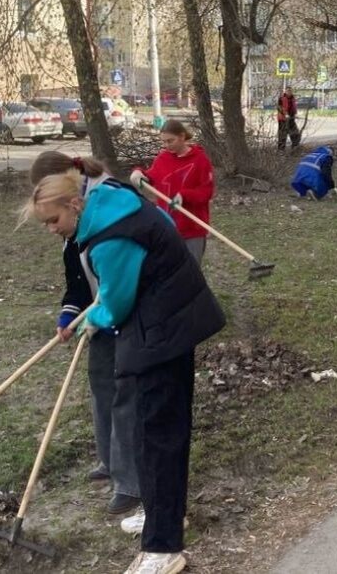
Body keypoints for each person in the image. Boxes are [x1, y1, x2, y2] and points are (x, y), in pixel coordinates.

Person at [20, 172, 226, 574]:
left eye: (53, 220)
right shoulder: (115, 198)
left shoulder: (108, 237)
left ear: (74, 205)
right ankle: (165, 512)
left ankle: (163, 548)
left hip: (162, 332)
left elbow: (115, 305)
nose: (51, 230)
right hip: (174, 318)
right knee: (162, 429)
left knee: (156, 435)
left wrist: (91, 320)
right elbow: (162, 229)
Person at [28, 152, 142, 517]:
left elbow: (122, 277)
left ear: (67, 187)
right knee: (101, 383)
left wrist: (102, 313)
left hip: (130, 311)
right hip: (101, 310)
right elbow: (77, 275)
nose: (51, 225)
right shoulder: (68, 216)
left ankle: (130, 481)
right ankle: (109, 460)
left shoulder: (109, 200)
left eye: (52, 217)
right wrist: (71, 312)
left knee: (126, 393)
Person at [129, 120, 215, 264]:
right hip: (167, 227)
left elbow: (206, 192)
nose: (167, 145)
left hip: (192, 229)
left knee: (190, 270)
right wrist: (138, 173)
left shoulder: (200, 160)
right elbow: (151, 177)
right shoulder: (163, 158)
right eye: (164, 142)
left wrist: (184, 195)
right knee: (168, 270)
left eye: (170, 141)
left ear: (182, 136)